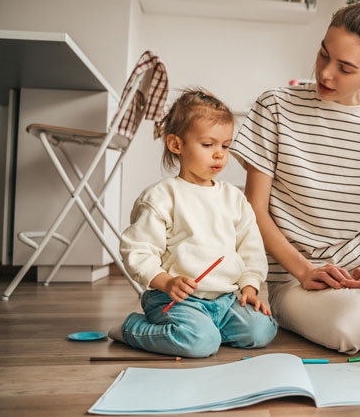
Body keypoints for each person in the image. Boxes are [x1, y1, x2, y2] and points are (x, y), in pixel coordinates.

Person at [230, 0, 360, 354]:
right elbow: (254, 209)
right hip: (296, 278)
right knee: (358, 327)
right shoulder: (276, 106)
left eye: (345, 67)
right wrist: (304, 270)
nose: (325, 72)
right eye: (324, 52)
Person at [108, 89, 277, 358]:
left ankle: (201, 332)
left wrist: (249, 288)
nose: (220, 155)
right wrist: (166, 282)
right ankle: (132, 328)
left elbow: (251, 250)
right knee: (200, 343)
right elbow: (138, 250)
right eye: (208, 145)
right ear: (176, 145)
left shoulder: (234, 198)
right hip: (174, 300)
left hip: (224, 299)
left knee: (263, 331)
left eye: (225, 145)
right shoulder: (162, 197)